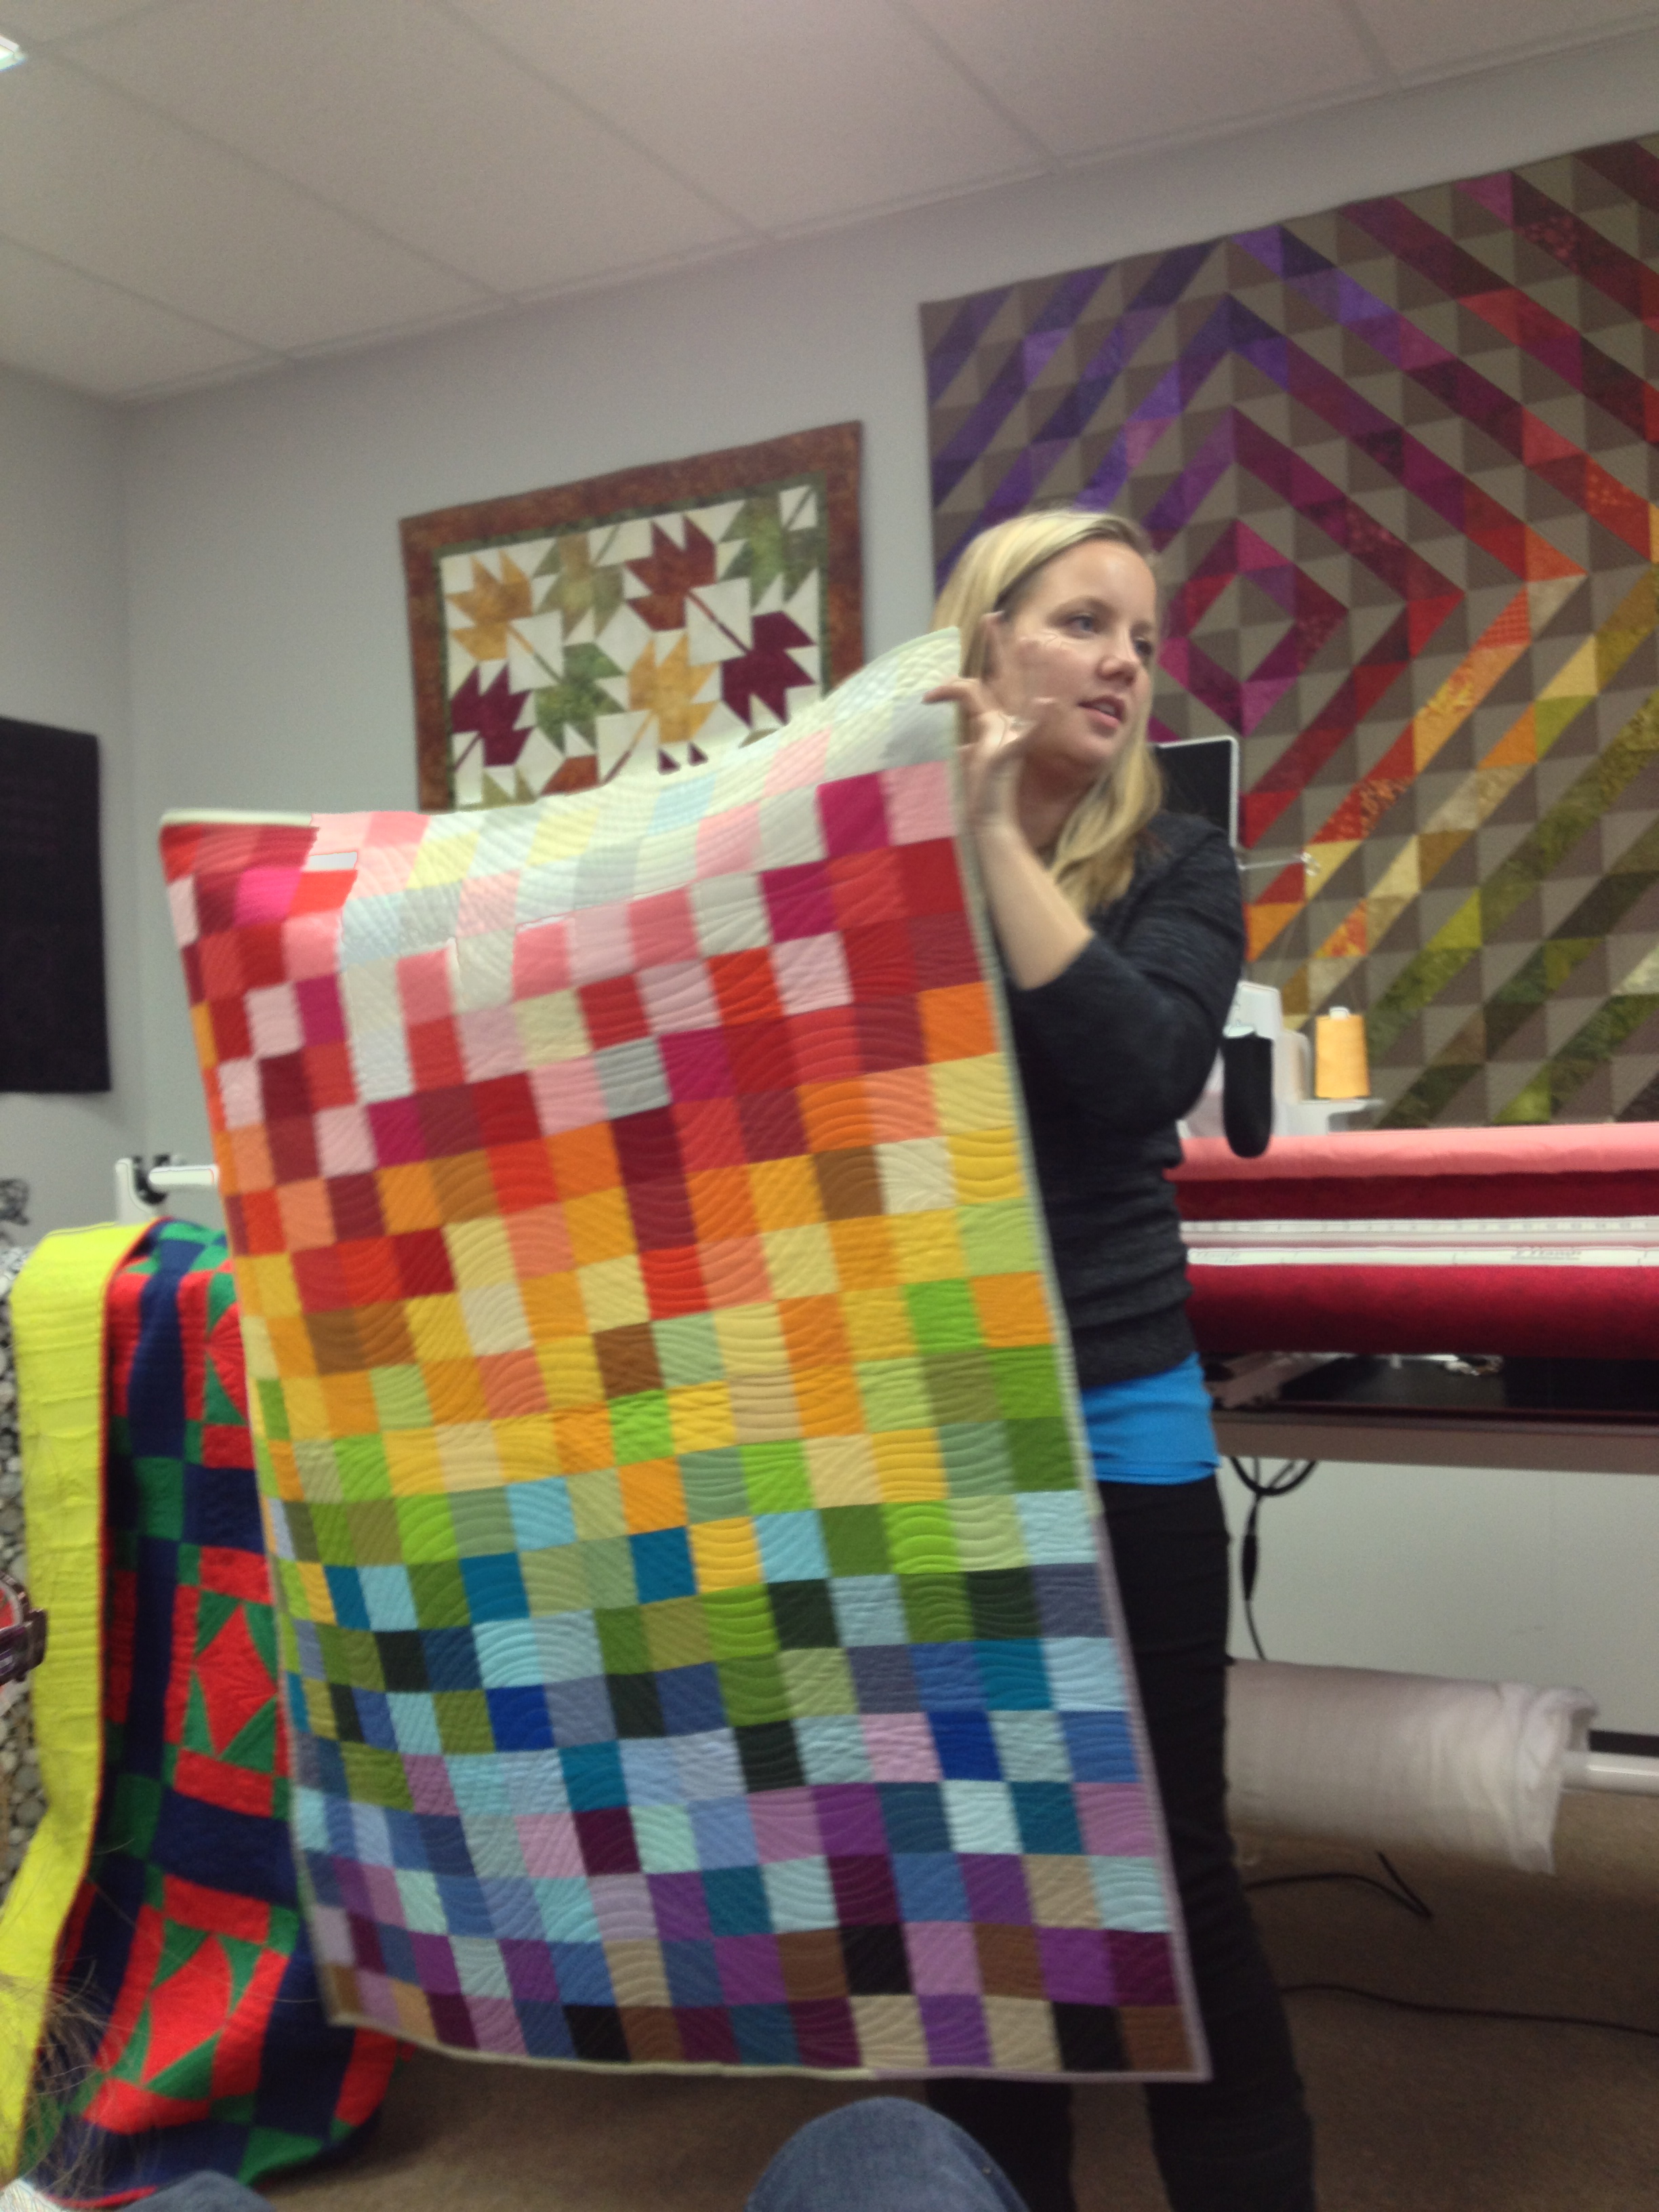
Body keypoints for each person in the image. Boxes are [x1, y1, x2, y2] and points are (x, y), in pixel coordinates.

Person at [917, 510, 1316, 2212]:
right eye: (1084, 622)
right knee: (977, 1873)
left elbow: (1142, 1068)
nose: (1126, 664)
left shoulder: (1180, 863)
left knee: (1165, 1862)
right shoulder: (867, 877)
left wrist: (994, 841)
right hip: (929, 1419)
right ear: (984, 643)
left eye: (1142, 639)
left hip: (1112, 1400)